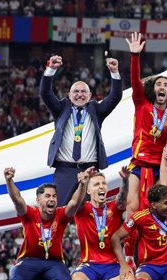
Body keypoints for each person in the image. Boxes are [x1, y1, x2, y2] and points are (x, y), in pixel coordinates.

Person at [124, 32, 167, 262]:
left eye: (166, 85)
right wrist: (134, 56)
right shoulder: (142, 104)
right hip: (138, 164)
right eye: (158, 84)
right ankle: (129, 254)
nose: (161, 87)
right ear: (153, 89)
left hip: (160, 169)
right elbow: (134, 80)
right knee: (132, 206)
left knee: (165, 208)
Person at [40, 54, 122, 206]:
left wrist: (114, 72)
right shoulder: (60, 108)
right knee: (59, 212)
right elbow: (45, 93)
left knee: (91, 214)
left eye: (83, 92)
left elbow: (115, 96)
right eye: (76, 92)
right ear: (69, 95)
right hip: (65, 170)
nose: (79, 95)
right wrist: (51, 69)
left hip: (90, 170)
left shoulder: (97, 110)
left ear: (90, 95)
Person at [68, 167, 136, 280]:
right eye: (96, 184)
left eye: (104, 183)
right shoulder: (82, 209)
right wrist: (82, 183)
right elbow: (76, 201)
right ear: (89, 190)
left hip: (112, 265)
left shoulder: (113, 207)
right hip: (89, 265)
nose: (101, 187)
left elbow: (122, 200)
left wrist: (125, 180)